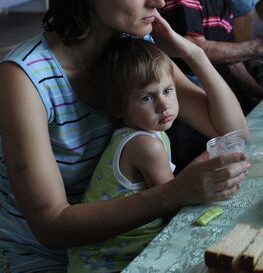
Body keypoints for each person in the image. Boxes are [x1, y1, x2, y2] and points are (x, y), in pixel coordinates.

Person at [0, 0, 250, 270]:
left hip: (127, 242)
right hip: (48, 260)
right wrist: (173, 194)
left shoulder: (133, 48)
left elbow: (234, 132)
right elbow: (50, 226)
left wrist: (193, 53)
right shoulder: (25, 78)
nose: (158, 1)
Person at [67, 38, 180, 271]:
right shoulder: (144, 145)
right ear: (120, 109)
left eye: (168, 91)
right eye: (147, 98)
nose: (163, 105)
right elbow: (174, 206)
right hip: (108, 264)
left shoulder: (148, 132)